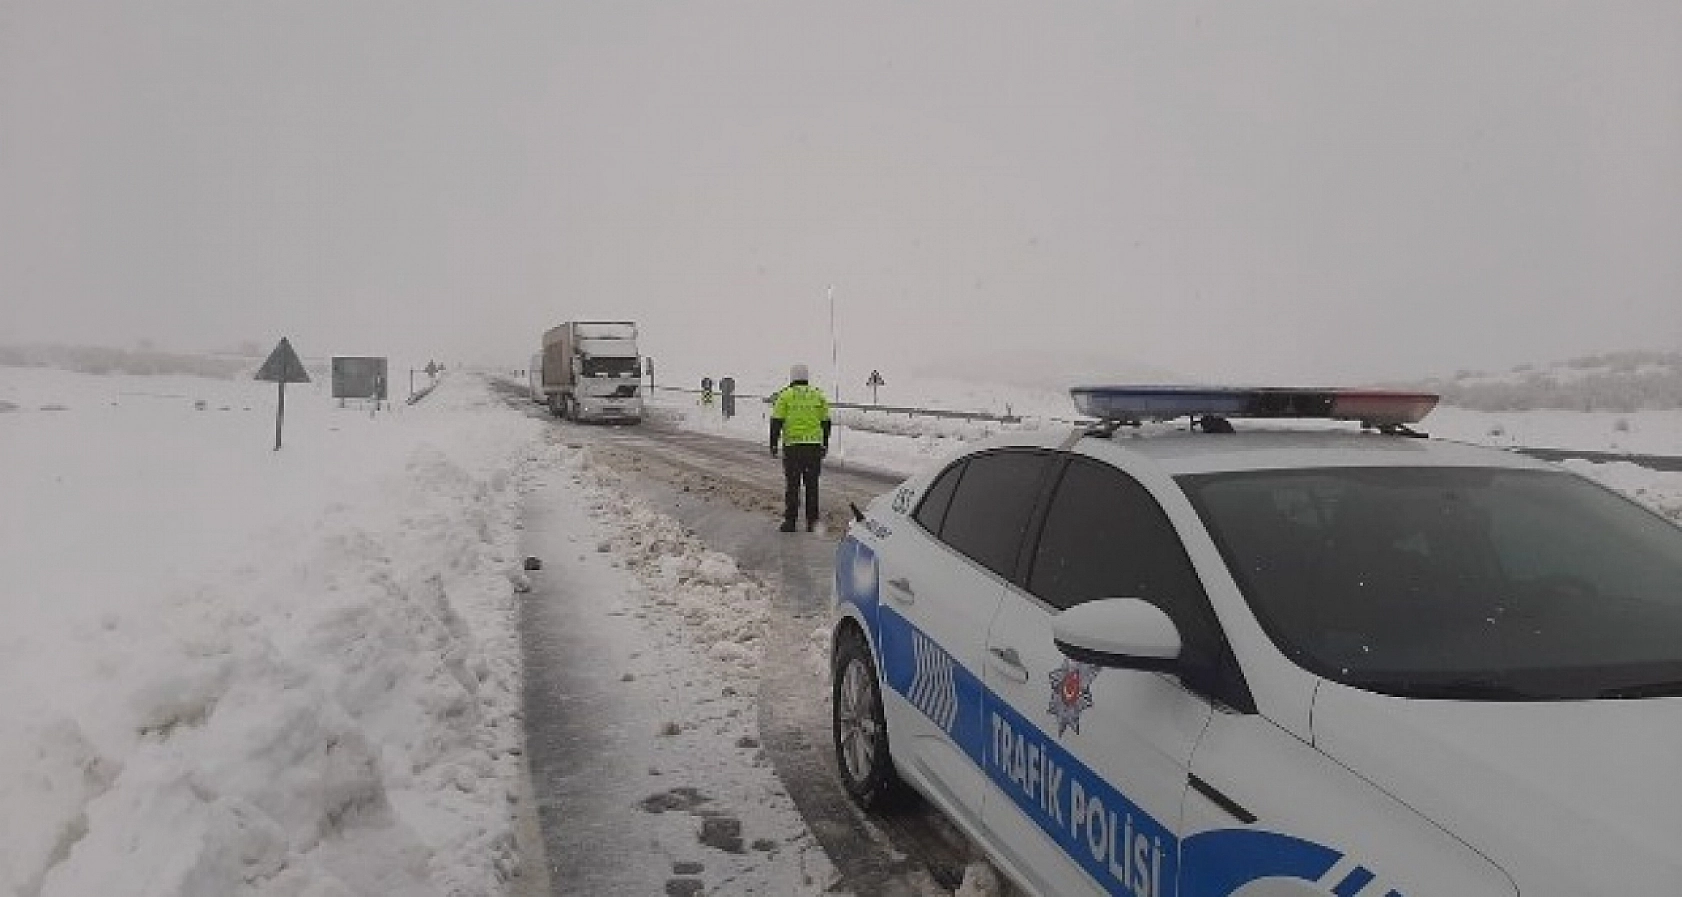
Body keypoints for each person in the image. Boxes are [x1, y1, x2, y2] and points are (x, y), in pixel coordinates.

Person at [769, 364, 831, 532]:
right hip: (813, 448)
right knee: (812, 486)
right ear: (806, 377)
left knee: (793, 485)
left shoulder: (785, 396)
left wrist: (773, 443)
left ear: (792, 377)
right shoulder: (818, 395)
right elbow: (826, 422)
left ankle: (791, 521)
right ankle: (812, 522)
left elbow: (776, 421)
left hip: (793, 449)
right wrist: (824, 443)